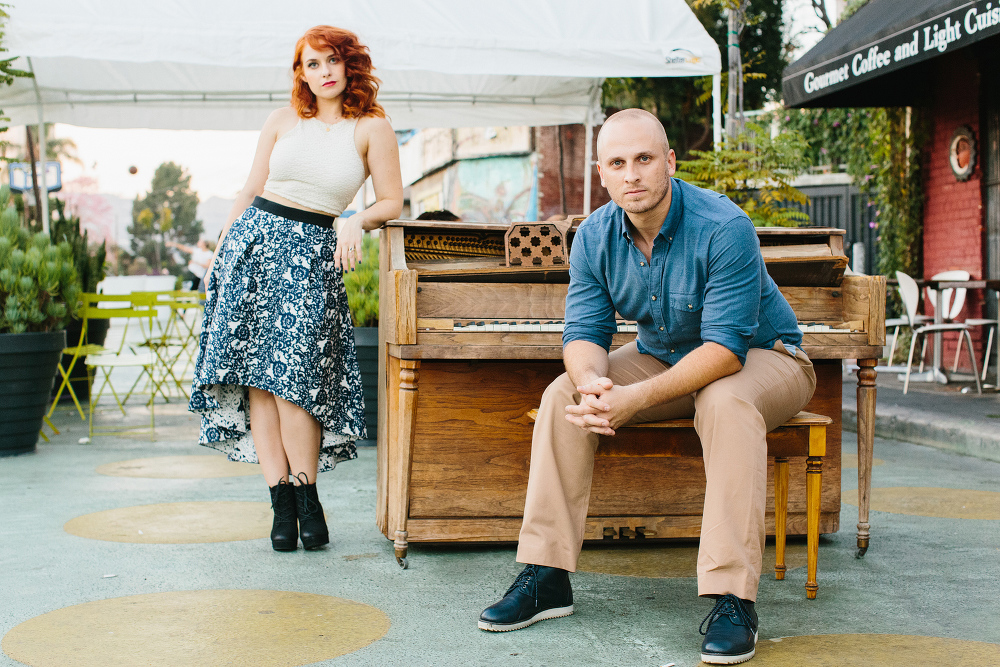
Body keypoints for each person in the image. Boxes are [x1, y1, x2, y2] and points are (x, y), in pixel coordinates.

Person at [477, 109, 816, 666]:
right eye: (618, 163)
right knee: (563, 395)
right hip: (668, 358)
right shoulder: (593, 236)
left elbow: (726, 351)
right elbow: (585, 332)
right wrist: (593, 385)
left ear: (669, 162)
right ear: (602, 174)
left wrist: (632, 399)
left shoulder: (723, 225)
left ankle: (733, 598)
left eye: (644, 159)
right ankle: (547, 575)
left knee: (725, 401)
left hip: (767, 356)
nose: (632, 174)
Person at [188, 25, 403, 552]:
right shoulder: (281, 120)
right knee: (257, 380)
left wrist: (356, 220)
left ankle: (308, 495)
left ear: (350, 65)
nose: (323, 72)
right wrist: (219, 254)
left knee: (294, 383)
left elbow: (392, 201)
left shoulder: (372, 126)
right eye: (312, 64)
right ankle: (280, 502)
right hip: (252, 246)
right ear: (300, 72)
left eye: (332, 61)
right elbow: (251, 187)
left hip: (311, 253)